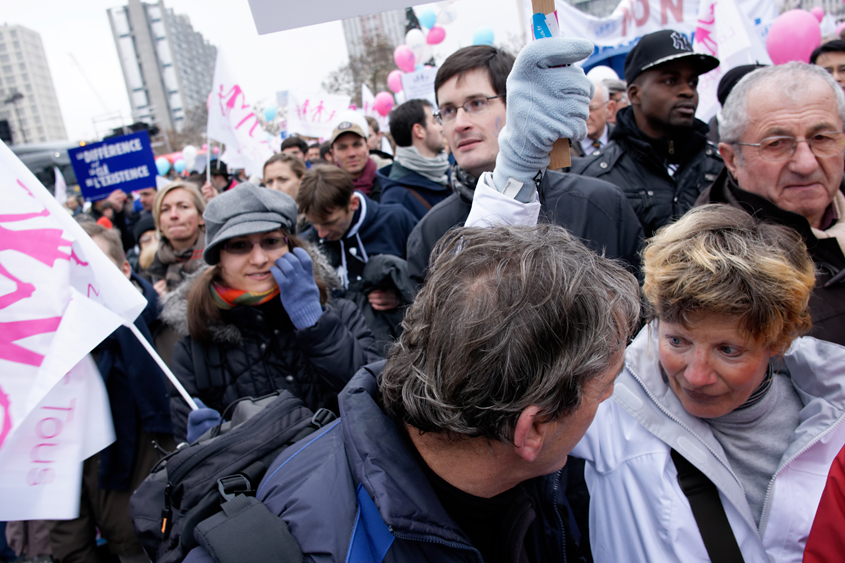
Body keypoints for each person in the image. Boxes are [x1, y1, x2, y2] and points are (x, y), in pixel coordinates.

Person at [182, 221, 641, 563]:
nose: (261, 259)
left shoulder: (539, 477)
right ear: (534, 427)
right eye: (607, 384)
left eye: (272, 242)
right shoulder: (319, 542)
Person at [566, 205, 845, 562]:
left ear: (778, 342)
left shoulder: (832, 427)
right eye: (677, 341)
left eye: (728, 350)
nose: (696, 376)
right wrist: (514, 187)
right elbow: (497, 344)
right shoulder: (610, 405)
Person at [406, 43, 643, 289]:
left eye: (476, 103)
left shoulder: (600, 204)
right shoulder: (429, 236)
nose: (460, 124)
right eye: (447, 111)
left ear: (516, 105)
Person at [160, 183, 380, 442]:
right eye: (239, 245)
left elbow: (376, 396)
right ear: (218, 259)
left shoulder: (339, 312)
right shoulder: (193, 348)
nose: (259, 258)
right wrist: (202, 447)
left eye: (271, 241)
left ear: (291, 247)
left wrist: (315, 323)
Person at [48, 222, 173, 563]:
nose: (85, 283)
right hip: (129, 538)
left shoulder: (175, 329)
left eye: (94, 268)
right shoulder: (59, 363)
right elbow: (60, 480)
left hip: (200, 517)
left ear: (124, 269)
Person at [698, 62, 845, 345]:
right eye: (776, 143)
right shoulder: (705, 268)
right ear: (731, 159)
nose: (805, 163)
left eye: (822, 138)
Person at [570, 29, 724, 238]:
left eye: (693, 82)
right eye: (670, 80)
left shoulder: (721, 167)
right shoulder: (597, 176)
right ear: (635, 94)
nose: (687, 91)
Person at [297, 164, 417, 295]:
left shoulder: (395, 220)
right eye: (314, 223)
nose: (321, 233)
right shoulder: (307, 242)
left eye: (329, 223)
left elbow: (424, 278)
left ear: (353, 203)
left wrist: (399, 297)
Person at [376, 98, 452, 220]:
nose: (440, 128)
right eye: (434, 122)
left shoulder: (448, 174)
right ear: (419, 130)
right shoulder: (396, 199)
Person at [144, 181, 206, 296]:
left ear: (201, 216)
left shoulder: (219, 259)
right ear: (159, 223)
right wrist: (154, 302)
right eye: (165, 209)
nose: (173, 215)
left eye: (183, 207)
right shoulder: (148, 268)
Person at [328, 112, 384, 200]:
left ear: (367, 148)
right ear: (333, 154)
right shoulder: (324, 192)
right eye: (342, 148)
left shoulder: (388, 179)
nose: (351, 154)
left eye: (357, 145)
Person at [571, 82, 615, 157]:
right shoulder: (564, 147)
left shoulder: (624, 141)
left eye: (592, 109)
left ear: (609, 108)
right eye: (580, 110)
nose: (586, 116)